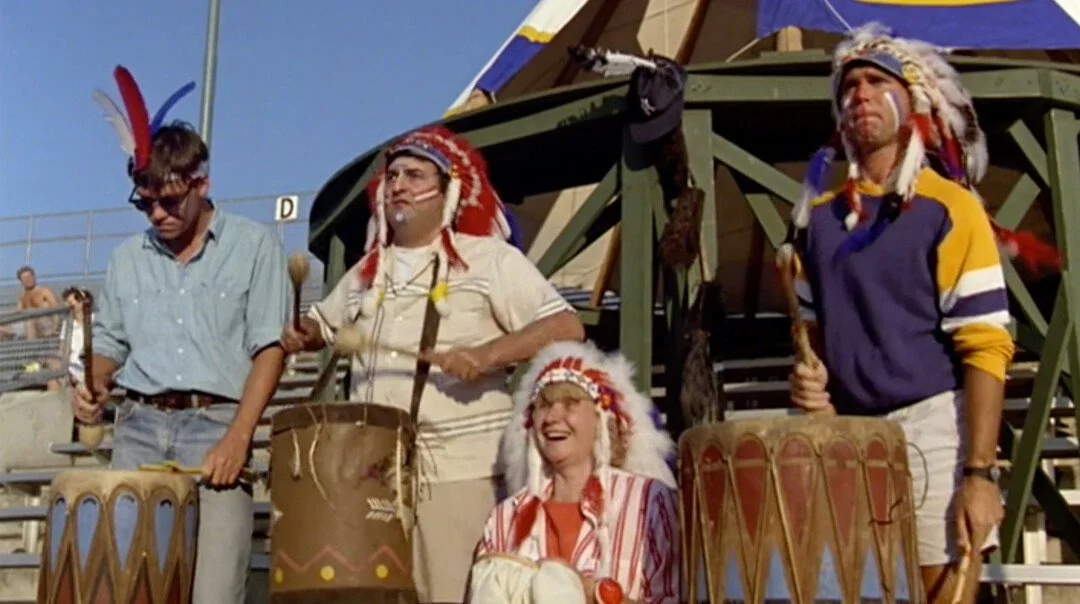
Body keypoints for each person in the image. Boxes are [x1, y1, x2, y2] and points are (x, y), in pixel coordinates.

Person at [782, 23, 1057, 604]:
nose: (859, 93)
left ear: (913, 101)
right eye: (848, 85)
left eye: (876, 81)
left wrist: (979, 476)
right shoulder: (819, 222)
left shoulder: (950, 208)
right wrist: (811, 382)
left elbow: (985, 348)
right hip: (848, 436)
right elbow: (813, 341)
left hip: (934, 429)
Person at [281, 125, 585, 602]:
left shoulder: (490, 260)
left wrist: (487, 355)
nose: (398, 184)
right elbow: (322, 325)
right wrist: (305, 334)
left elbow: (565, 326)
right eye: (393, 175)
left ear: (449, 192)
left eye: (415, 175)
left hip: (459, 468)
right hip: (372, 470)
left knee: (451, 593)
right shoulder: (367, 271)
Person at [73, 66, 289, 602]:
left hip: (217, 428)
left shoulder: (254, 246)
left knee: (215, 592)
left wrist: (239, 438)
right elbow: (112, 345)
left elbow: (271, 348)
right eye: (144, 203)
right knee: (129, 590)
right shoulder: (126, 258)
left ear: (203, 183)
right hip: (139, 426)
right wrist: (94, 387)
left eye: (170, 201)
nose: (157, 214)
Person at [469, 340, 680, 604]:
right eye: (543, 405)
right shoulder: (505, 518)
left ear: (602, 419)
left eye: (570, 403)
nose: (552, 417)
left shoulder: (649, 502)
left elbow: (675, 596)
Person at [16, 266, 61, 339]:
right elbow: (18, 315)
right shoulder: (22, 296)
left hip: (45, 323)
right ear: (21, 281)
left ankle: (31, 348)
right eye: (24, 278)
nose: (27, 279)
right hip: (27, 325)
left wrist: (55, 328)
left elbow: (58, 310)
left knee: (30, 321)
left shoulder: (44, 291)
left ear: (34, 277)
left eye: (29, 276)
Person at [60, 287, 91, 385]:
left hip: (91, 366)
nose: (68, 307)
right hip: (72, 368)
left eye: (71, 304)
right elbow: (62, 349)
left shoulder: (96, 321)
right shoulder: (67, 324)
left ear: (82, 302)